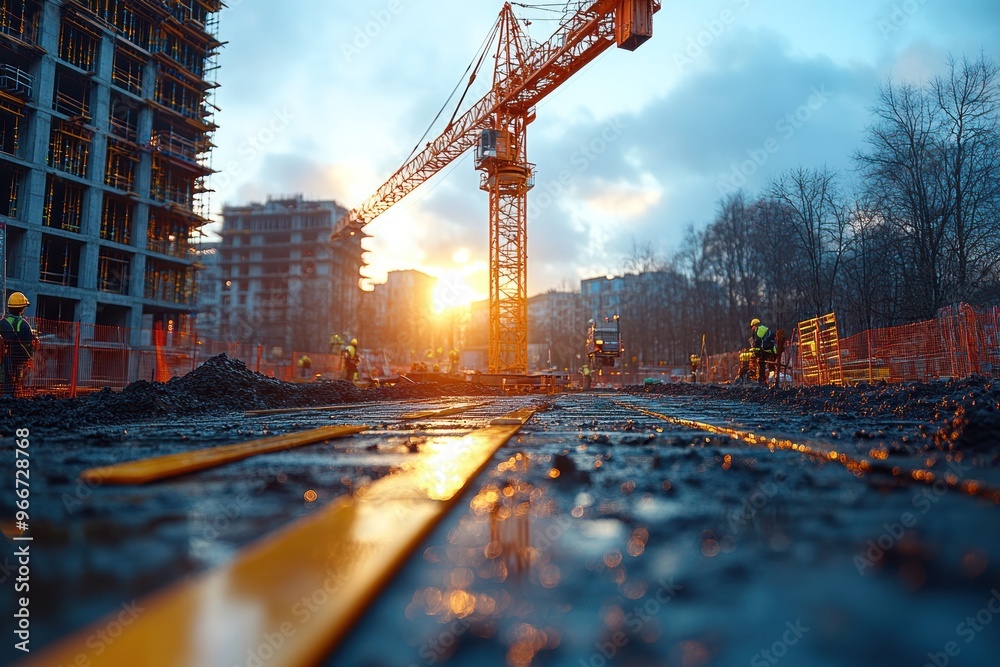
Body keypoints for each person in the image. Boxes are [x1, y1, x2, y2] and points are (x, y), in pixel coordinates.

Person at [1, 292, 38, 398]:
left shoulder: (2, 322)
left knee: (5, 381)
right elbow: (28, 346)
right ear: (22, 309)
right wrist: (29, 358)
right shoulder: (24, 325)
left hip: (3, 359)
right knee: (16, 384)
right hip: (18, 361)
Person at [749, 318, 777, 386]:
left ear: (754, 325)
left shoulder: (757, 331)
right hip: (773, 349)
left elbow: (758, 343)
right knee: (771, 364)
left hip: (766, 349)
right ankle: (772, 377)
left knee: (761, 362)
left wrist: (757, 353)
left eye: (752, 327)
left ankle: (762, 379)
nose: (752, 329)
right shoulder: (765, 328)